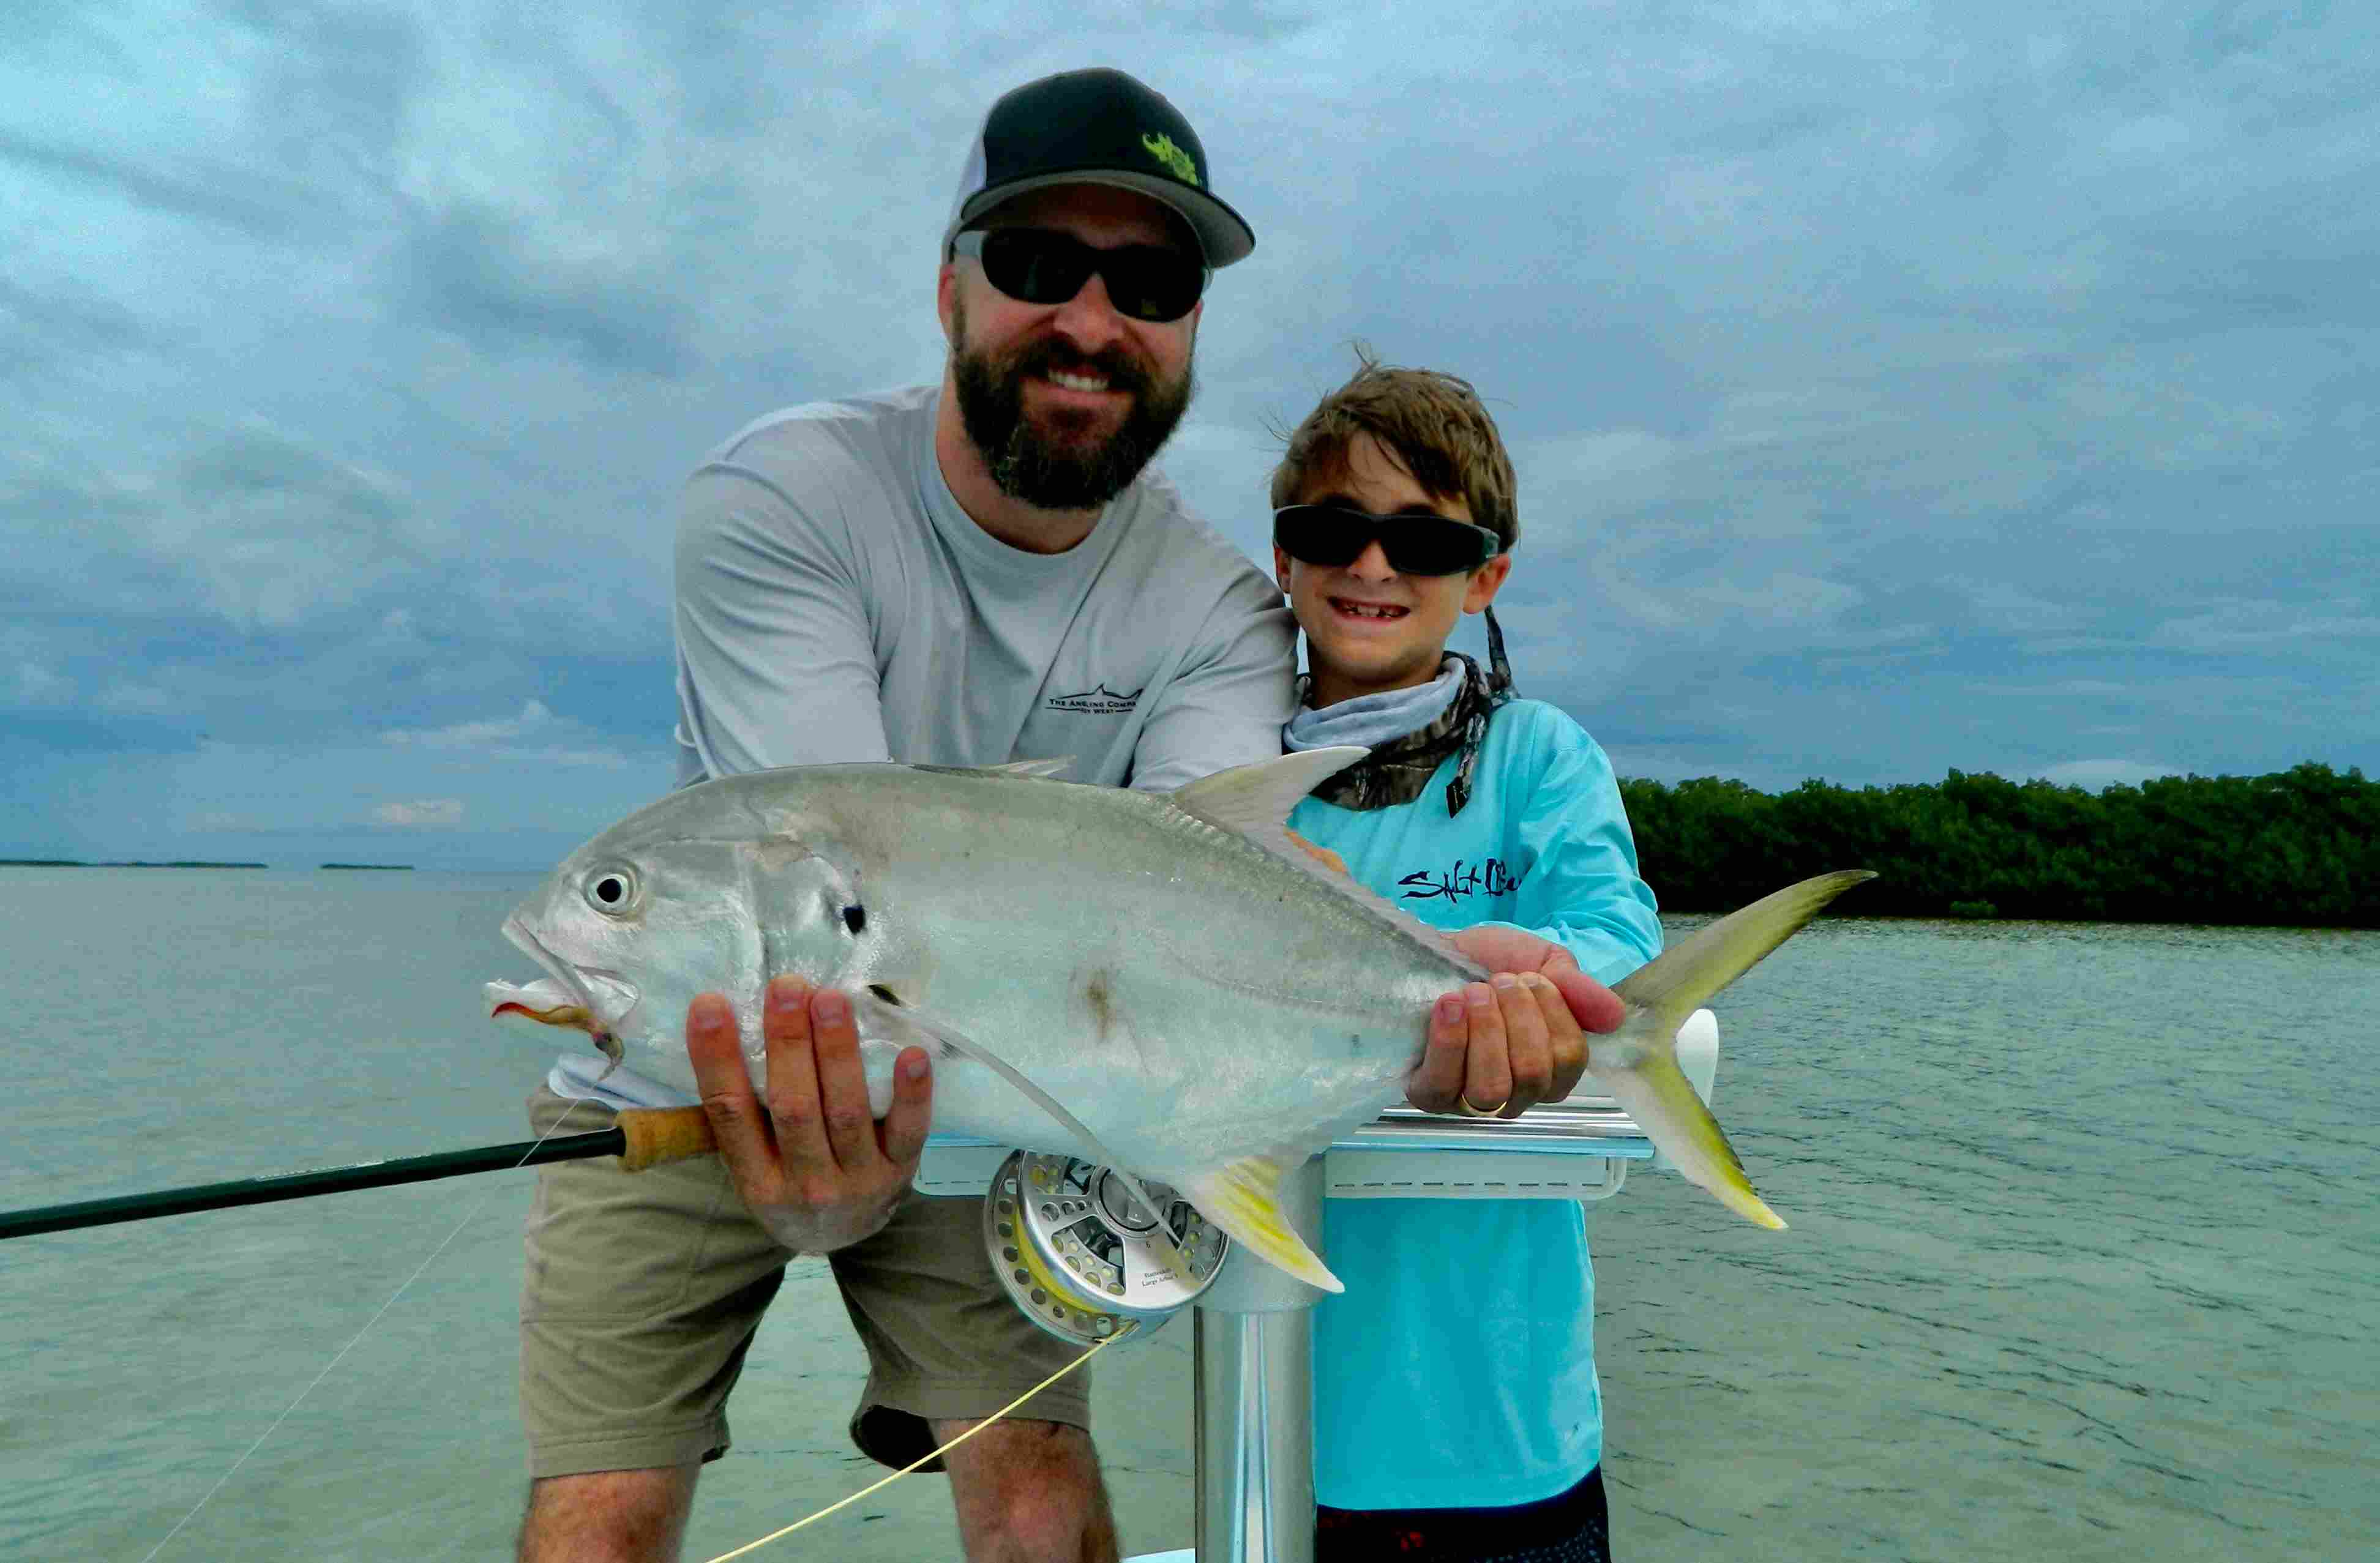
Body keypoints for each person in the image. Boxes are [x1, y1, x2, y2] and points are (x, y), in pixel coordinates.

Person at [515, 70, 1623, 1563]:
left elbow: (1206, 873)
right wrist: (634, 945)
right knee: (603, 1512)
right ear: (950, 289)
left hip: (1000, 1073)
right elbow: (821, 875)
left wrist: (1425, 969)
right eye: (1041, 266)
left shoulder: (1219, 604)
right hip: (683, 1056)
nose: (1092, 321)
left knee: (1042, 1507)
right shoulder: (785, 496)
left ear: (1186, 331)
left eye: (1149, 281)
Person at [1267, 354, 1663, 1563]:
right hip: (1272, 1424)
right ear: (1284, 557)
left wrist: (1521, 973)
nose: (1372, 565)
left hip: (1514, 1458)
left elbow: (1620, 939)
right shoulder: (1230, 780)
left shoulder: (1535, 757)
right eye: (1333, 527)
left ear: (1485, 575)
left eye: (1423, 542)